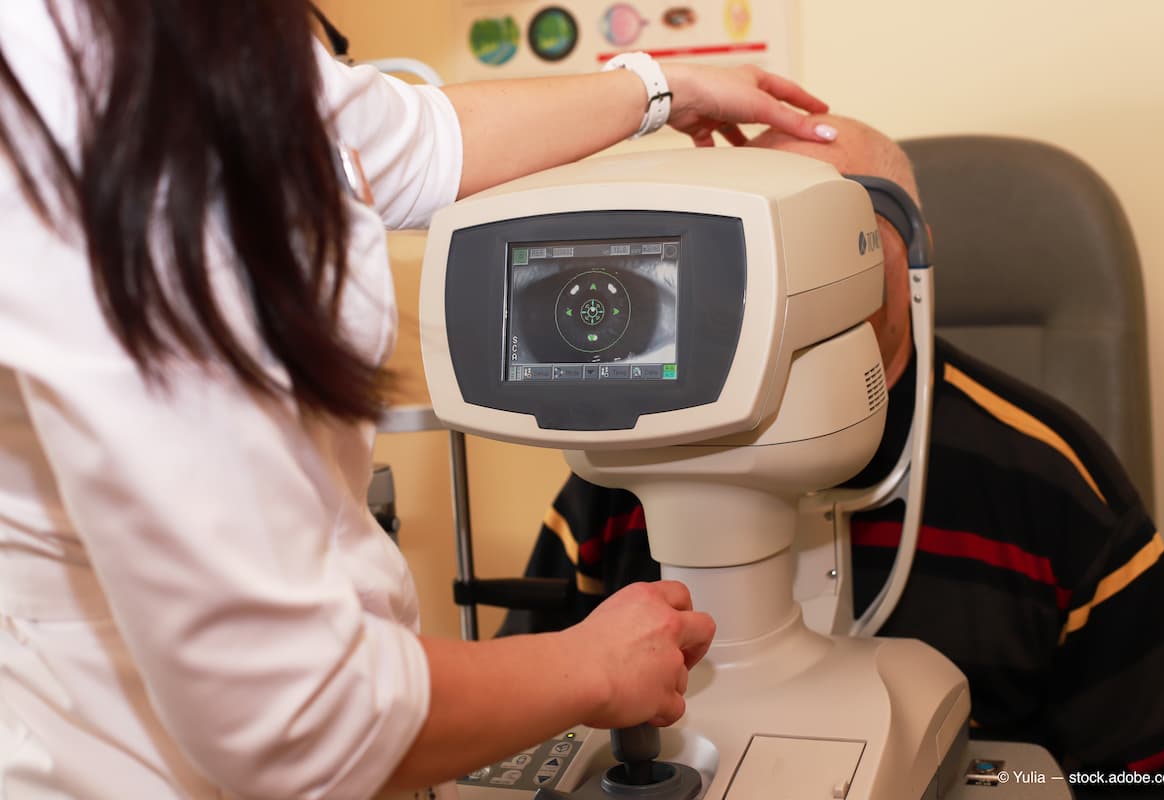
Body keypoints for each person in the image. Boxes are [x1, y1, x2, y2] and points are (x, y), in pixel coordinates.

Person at [0, 2, 852, 796]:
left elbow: (404, 138)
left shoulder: (201, 32)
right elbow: (292, 710)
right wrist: (591, 668)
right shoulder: (101, 100)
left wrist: (661, 87)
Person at [502, 114, 1164, 795]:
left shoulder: (1052, 486)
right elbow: (525, 717)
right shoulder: (622, 472)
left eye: (829, 240)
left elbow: (1156, 772)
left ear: (910, 250)